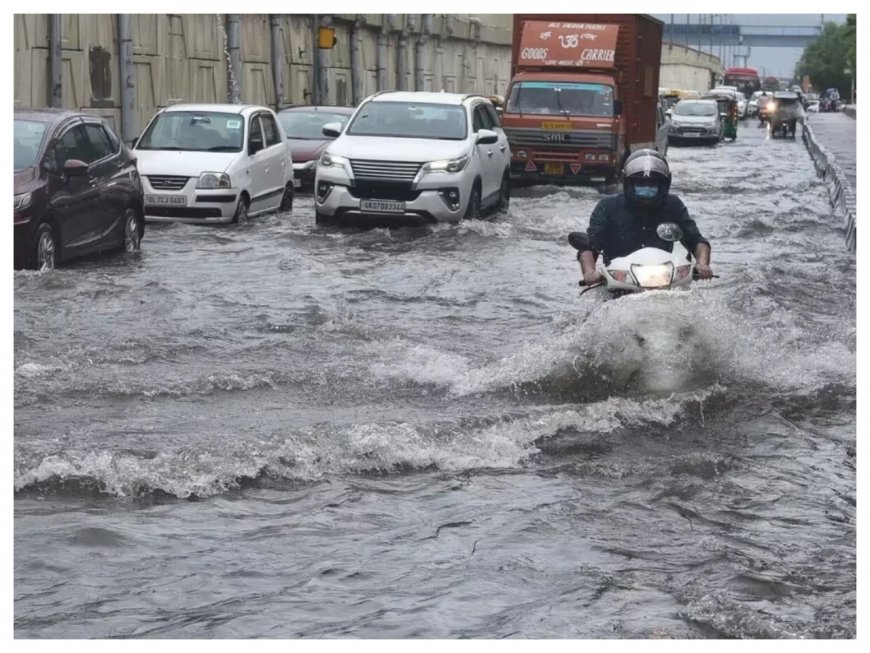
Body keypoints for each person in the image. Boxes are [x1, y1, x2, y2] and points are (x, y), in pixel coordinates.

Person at [576, 149, 713, 285]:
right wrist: (589, 272)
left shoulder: (673, 205)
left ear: (664, 185)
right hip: (619, 279)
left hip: (664, 278)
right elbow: (589, 247)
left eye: (652, 184)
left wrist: (702, 264)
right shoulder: (607, 206)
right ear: (628, 183)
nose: (646, 188)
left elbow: (697, 240)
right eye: (640, 184)